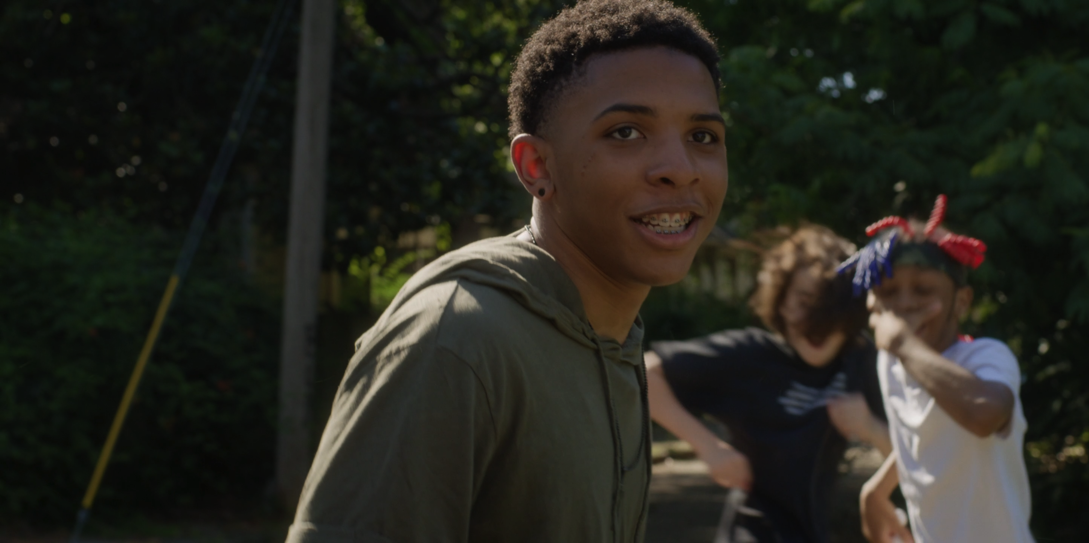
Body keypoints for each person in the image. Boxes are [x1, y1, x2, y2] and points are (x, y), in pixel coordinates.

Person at [285, 2, 727, 542]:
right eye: (626, 132)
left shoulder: (613, 340)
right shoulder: (455, 339)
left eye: (703, 136)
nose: (679, 169)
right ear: (536, 166)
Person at [645, 224, 893, 543]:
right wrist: (709, 447)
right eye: (804, 300)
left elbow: (909, 459)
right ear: (781, 298)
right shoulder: (751, 355)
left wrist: (871, 427)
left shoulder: (858, 360)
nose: (816, 323)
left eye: (830, 307)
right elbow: (646, 372)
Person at [844, 195, 1034, 543]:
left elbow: (983, 415)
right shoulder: (891, 362)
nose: (903, 304)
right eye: (888, 291)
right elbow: (924, 439)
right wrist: (876, 490)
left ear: (961, 301)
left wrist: (902, 343)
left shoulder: (987, 358)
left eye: (923, 290)